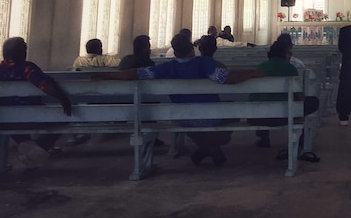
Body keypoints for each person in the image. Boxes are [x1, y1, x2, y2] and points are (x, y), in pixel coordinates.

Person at [100, 33, 264, 166]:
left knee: (196, 118)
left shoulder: (167, 67)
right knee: (234, 111)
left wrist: (110, 75)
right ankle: (211, 146)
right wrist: (251, 73)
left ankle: (207, 148)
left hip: (183, 117)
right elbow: (226, 78)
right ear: (192, 49)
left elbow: (138, 73)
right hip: (211, 116)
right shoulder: (203, 63)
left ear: (175, 52)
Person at [0, 37, 72, 168]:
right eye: (24, 49)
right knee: (64, 117)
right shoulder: (27, 68)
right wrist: (63, 99)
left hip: (6, 117)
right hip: (30, 116)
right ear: (20, 52)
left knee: (15, 123)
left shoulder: (0, 69)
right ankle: (39, 147)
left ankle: (26, 143)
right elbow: (45, 84)